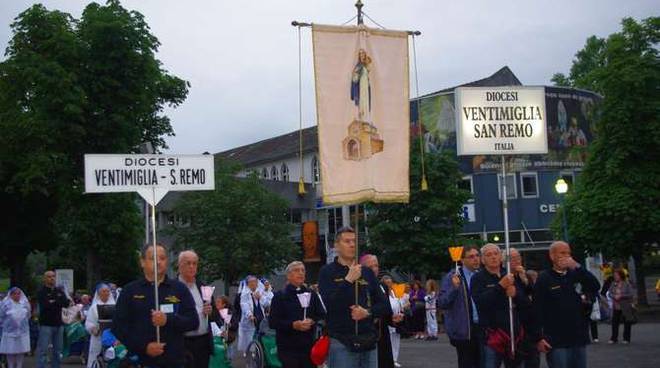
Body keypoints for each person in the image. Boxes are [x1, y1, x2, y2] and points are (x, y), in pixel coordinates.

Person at [113, 243, 199, 368]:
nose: (158, 262)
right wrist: (144, 347)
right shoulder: (130, 291)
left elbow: (193, 322)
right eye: (153, 258)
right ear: (142, 262)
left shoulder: (179, 289)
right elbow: (118, 327)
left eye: (162, 258)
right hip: (140, 362)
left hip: (173, 362)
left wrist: (168, 320)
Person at [318, 227, 389, 368]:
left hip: (368, 340)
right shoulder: (327, 272)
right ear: (336, 246)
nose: (352, 244)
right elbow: (330, 305)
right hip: (342, 342)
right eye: (347, 241)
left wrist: (367, 312)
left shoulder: (367, 272)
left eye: (354, 241)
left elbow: (385, 306)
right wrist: (348, 280)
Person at [532, 241, 600, 368]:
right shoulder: (544, 278)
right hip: (556, 340)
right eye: (562, 253)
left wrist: (578, 267)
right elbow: (536, 310)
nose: (567, 256)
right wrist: (539, 337)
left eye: (568, 253)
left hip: (578, 337)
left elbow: (595, 285)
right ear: (552, 256)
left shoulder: (575, 274)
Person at [472, 244, 530, 368]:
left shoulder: (509, 275)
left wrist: (516, 294)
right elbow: (481, 302)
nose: (493, 257)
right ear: (483, 260)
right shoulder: (478, 278)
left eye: (496, 254)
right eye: (488, 255)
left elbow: (525, 303)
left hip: (513, 333)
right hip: (492, 335)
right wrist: (500, 287)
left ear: (501, 257)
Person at [269, 261, 326, 368]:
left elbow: (321, 314)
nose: (300, 273)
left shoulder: (311, 294)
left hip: (309, 346)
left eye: (303, 270)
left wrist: (312, 321)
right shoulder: (280, 297)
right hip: (288, 348)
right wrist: (293, 325)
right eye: (296, 270)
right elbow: (273, 322)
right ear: (288, 276)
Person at [439, 244, 481, 368]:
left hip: (483, 328)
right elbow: (442, 302)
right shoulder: (453, 277)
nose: (476, 259)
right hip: (464, 330)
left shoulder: (481, 275)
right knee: (467, 363)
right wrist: (454, 288)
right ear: (462, 260)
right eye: (471, 257)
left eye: (477, 255)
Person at [361, 255, 403, 368]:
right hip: (367, 333)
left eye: (376, 265)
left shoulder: (382, 286)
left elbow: (386, 309)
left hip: (383, 333)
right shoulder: (359, 286)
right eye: (371, 266)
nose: (374, 269)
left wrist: (393, 319)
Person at [178, 250, 216, 368]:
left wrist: (210, 312)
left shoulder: (203, 287)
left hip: (203, 342)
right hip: (182, 342)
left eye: (195, 263)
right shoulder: (172, 288)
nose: (192, 267)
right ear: (180, 266)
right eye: (188, 263)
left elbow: (215, 315)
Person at [509, 248, 538, 368]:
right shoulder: (507, 277)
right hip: (515, 324)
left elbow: (533, 294)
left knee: (533, 360)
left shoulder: (525, 276)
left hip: (529, 324)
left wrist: (524, 279)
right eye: (513, 258)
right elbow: (520, 299)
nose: (517, 261)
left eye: (518, 257)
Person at [35, 270, 70, 368]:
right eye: (49, 276)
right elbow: (46, 305)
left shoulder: (59, 291)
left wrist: (54, 301)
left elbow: (66, 303)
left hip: (59, 324)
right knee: (43, 350)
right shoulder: (41, 291)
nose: (52, 278)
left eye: (53, 276)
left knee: (58, 351)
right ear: (45, 279)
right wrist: (57, 302)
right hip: (46, 324)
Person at [84, 283, 116, 368]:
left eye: (107, 291)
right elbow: (88, 322)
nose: (106, 293)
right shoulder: (93, 307)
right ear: (98, 293)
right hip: (97, 337)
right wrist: (93, 329)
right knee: (95, 358)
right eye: (103, 291)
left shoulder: (115, 306)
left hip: (112, 337)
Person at [0, 287, 31, 368]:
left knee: (20, 350)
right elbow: (1, 316)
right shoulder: (5, 304)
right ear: (10, 295)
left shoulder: (25, 304)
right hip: (9, 332)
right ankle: (10, 366)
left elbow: (28, 315)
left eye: (18, 294)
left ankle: (19, 366)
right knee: (10, 350)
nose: (17, 295)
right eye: (14, 294)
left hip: (22, 331)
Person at [237, 276, 266, 355]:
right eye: (251, 282)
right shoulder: (245, 293)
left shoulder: (260, 291)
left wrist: (260, 297)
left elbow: (266, 303)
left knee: (261, 334)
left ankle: (260, 352)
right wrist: (249, 315)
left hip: (261, 317)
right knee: (249, 337)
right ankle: (249, 352)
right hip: (250, 318)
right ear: (248, 284)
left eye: (255, 282)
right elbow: (244, 305)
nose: (253, 284)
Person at [608, 269, 635, 344]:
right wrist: (614, 296)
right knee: (614, 322)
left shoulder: (627, 283)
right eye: (614, 275)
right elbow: (609, 293)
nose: (615, 277)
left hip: (625, 305)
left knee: (627, 322)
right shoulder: (613, 283)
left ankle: (626, 338)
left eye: (617, 275)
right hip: (616, 305)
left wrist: (621, 296)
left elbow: (631, 294)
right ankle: (614, 338)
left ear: (621, 275)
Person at [381, 276, 403, 368]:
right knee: (388, 341)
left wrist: (401, 311)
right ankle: (389, 360)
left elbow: (399, 303)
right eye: (387, 283)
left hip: (397, 318)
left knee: (396, 340)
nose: (389, 284)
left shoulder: (394, 292)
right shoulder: (382, 293)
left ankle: (395, 359)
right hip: (387, 319)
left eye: (390, 282)